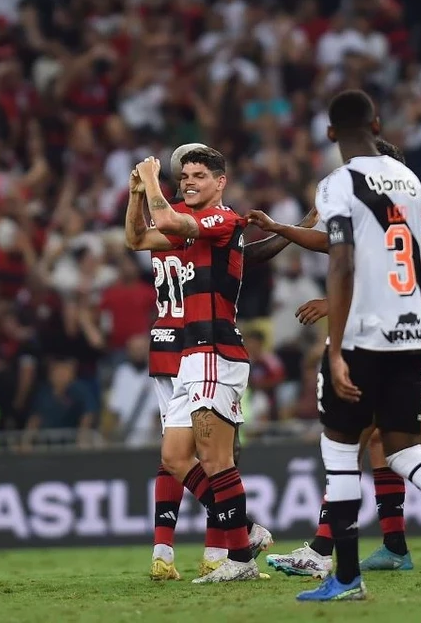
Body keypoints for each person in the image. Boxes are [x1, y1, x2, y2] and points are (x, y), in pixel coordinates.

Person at [256, 138, 421, 580]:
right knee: (380, 443)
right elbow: (341, 249)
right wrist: (284, 229)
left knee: (414, 446)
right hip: (398, 340)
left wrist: (334, 300)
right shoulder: (399, 214)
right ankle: (395, 545)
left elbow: (392, 271)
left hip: (416, 343)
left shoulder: (403, 215)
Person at [125, 145, 272, 582]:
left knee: (215, 458)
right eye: (183, 176)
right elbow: (136, 239)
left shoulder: (222, 220)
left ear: (220, 182)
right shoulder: (192, 230)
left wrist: (152, 178)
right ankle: (245, 534)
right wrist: (136, 194)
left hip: (215, 350)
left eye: (198, 176)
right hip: (191, 354)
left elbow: (168, 220)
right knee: (173, 458)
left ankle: (239, 557)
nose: (188, 182)